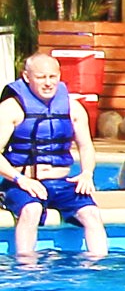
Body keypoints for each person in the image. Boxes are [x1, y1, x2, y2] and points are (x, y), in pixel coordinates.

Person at [1, 50, 108, 264]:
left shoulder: (73, 108)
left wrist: (87, 173)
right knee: (31, 210)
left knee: (92, 214)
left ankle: (97, 266)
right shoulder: (11, 109)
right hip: (23, 183)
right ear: (26, 77)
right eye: (41, 77)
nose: (48, 83)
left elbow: (86, 146)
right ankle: (26, 267)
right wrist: (21, 180)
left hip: (61, 183)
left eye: (53, 77)